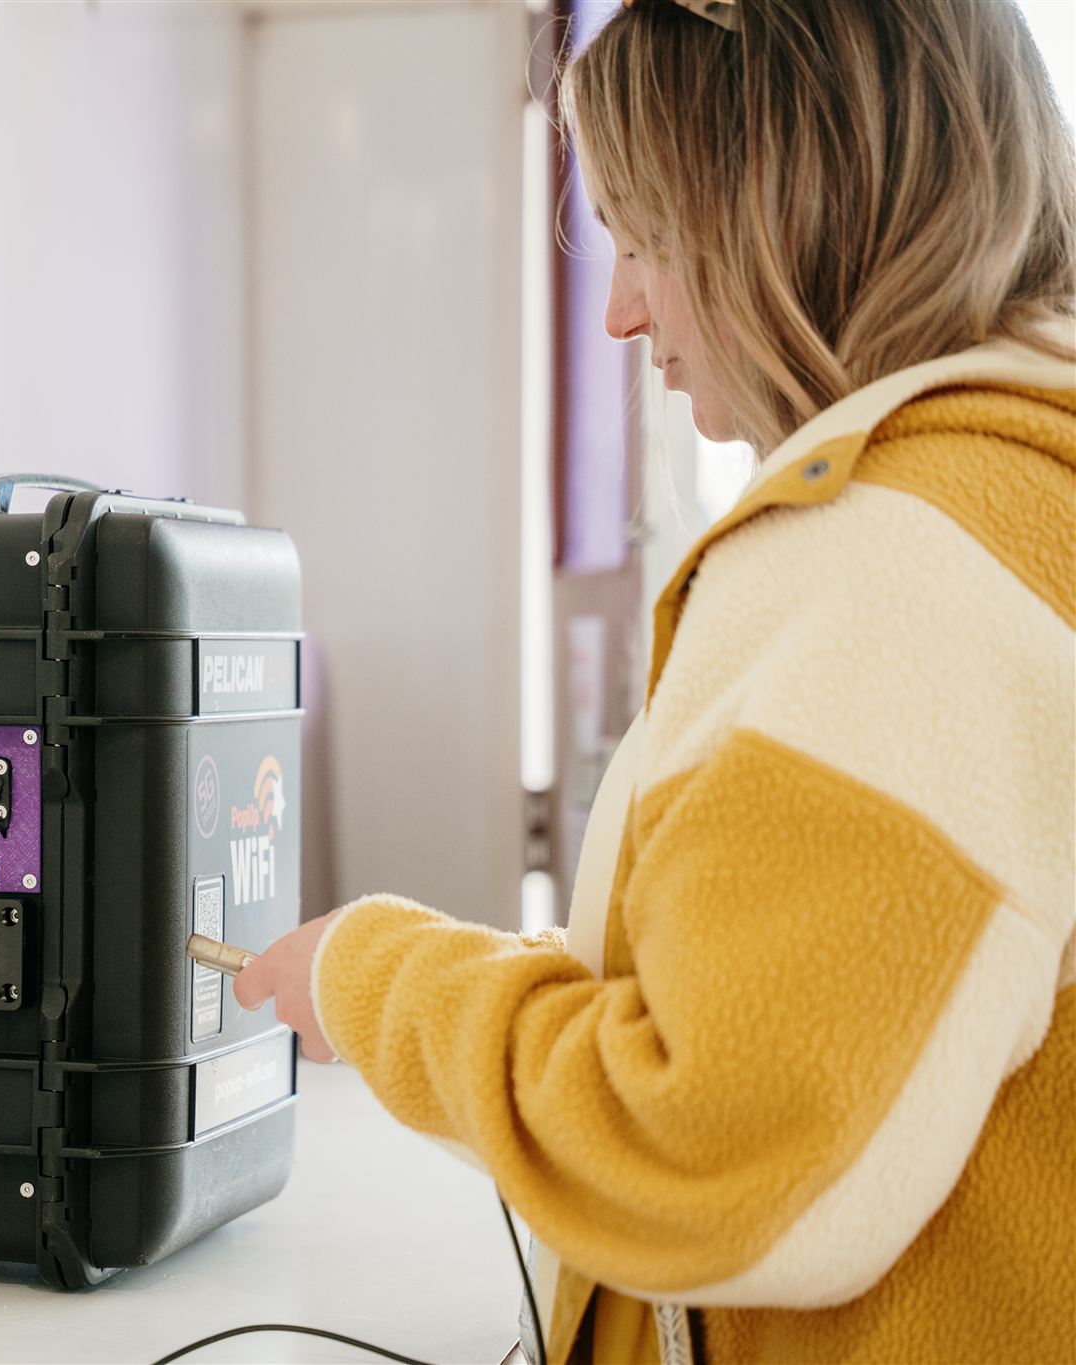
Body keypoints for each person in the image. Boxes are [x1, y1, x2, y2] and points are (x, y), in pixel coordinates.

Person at [233, 0, 1076, 1360]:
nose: (620, 308)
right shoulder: (1013, 510)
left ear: (780, 199)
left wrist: (376, 976)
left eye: (642, 235)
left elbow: (710, 1147)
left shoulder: (905, 573)